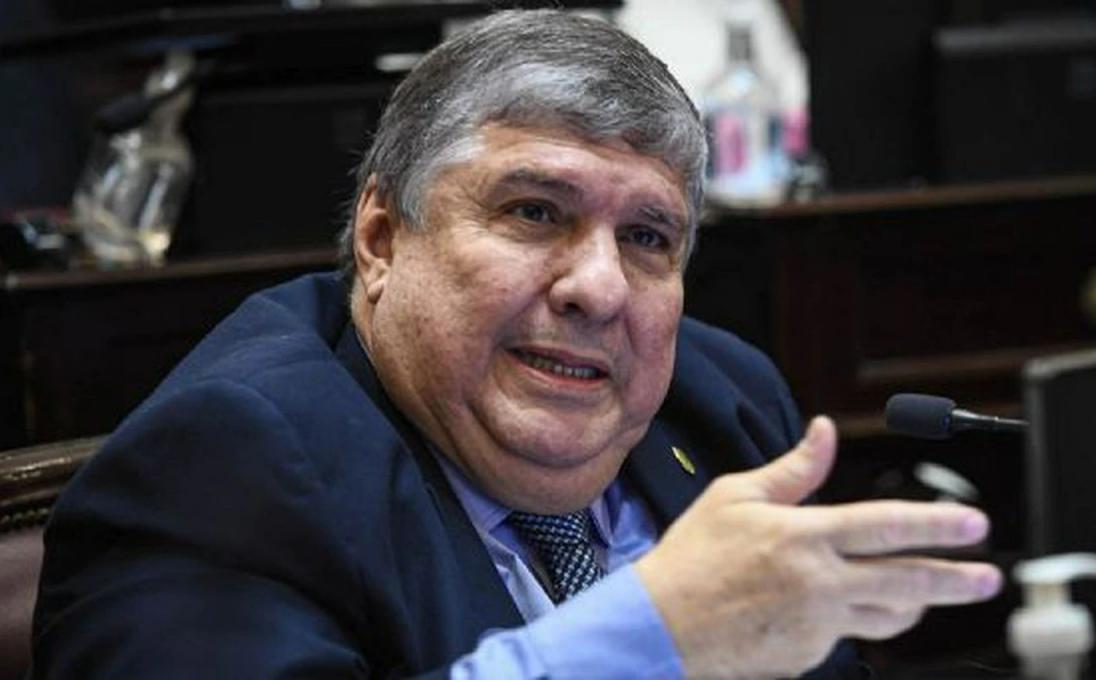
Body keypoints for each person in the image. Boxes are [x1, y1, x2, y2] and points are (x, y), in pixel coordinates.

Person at [30, 10, 1001, 679]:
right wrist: (654, 637)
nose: (599, 287)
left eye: (647, 236)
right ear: (381, 239)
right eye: (536, 211)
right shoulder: (227, 461)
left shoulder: (723, 399)